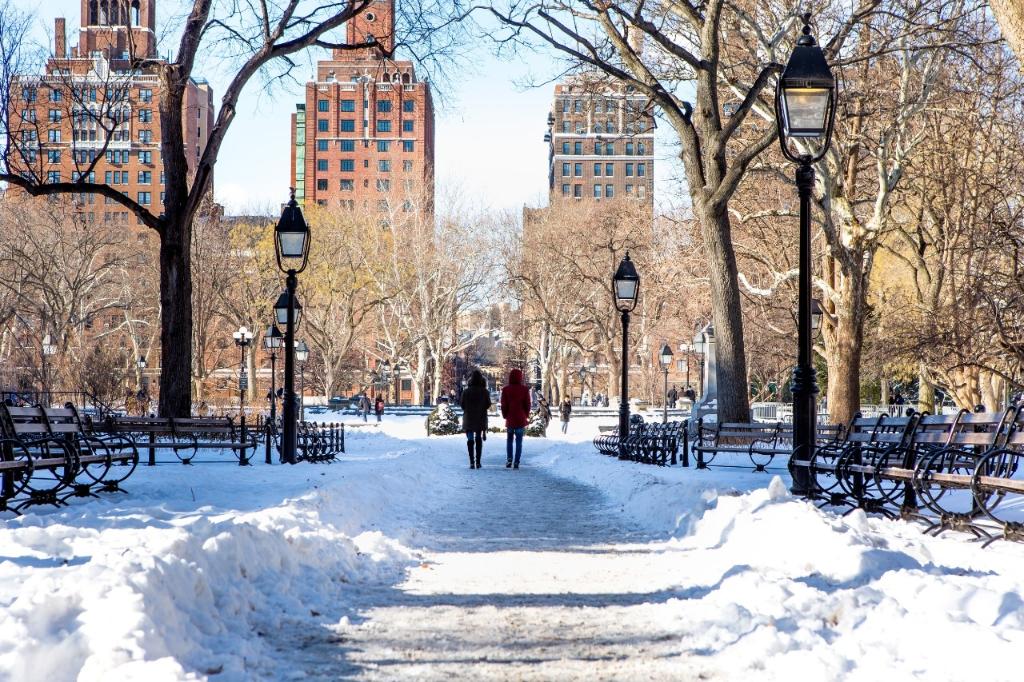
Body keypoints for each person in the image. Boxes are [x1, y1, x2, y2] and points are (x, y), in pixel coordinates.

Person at [500, 368, 531, 469]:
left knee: (509, 440)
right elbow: (527, 404)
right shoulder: (524, 389)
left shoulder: (505, 389)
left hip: (510, 418)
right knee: (519, 441)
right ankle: (517, 461)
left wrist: (505, 415)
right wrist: (525, 415)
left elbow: (503, 405)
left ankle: (509, 458)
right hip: (520, 418)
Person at [460, 370, 491, 469]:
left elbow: (462, 405)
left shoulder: (466, 391)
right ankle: (478, 461)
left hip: (469, 418)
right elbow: (488, 404)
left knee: (470, 438)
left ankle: (471, 462)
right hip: (480, 418)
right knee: (478, 438)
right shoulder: (485, 391)